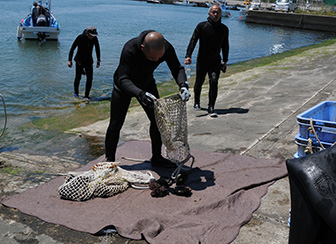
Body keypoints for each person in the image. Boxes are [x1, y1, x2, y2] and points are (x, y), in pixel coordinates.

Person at [105, 30, 191, 168]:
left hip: (147, 83)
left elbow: (177, 68)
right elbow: (123, 78)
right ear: (143, 48)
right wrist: (140, 94)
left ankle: (156, 158)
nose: (156, 61)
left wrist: (183, 85)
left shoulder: (166, 47)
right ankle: (109, 162)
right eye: (152, 58)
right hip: (124, 86)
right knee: (116, 123)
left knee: (158, 120)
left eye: (159, 58)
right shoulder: (130, 49)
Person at [184, 4, 229, 117]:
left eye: (217, 12)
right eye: (213, 12)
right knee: (199, 81)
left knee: (214, 81)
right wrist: (188, 55)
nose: (215, 14)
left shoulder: (224, 29)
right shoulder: (202, 26)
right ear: (209, 13)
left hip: (215, 61)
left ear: (220, 14)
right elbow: (193, 41)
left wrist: (225, 60)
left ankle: (211, 107)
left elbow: (225, 45)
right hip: (202, 60)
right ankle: (197, 102)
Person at [68, 26, 101, 99]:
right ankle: (76, 93)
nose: (92, 37)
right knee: (78, 78)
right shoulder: (80, 38)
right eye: (91, 35)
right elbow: (72, 49)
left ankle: (87, 95)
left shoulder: (95, 39)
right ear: (87, 33)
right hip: (79, 61)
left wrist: (98, 60)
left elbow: (97, 49)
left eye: (94, 35)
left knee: (90, 78)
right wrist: (69, 60)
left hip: (89, 61)